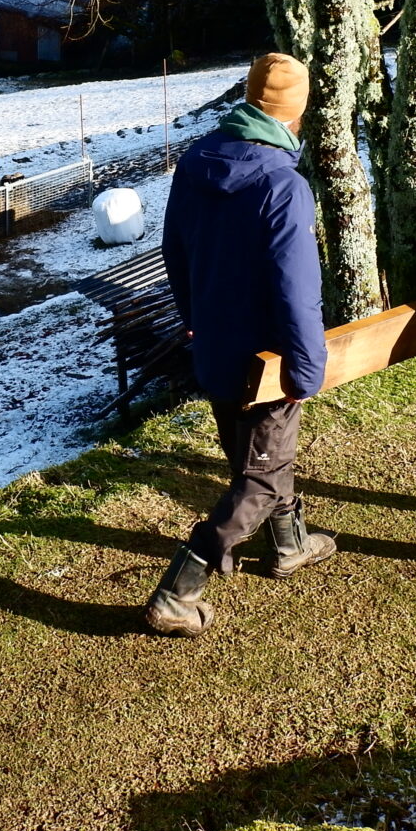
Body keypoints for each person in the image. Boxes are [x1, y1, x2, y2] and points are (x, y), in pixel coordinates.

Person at [143, 52, 338, 637]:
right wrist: (307, 370)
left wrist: (194, 319)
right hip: (268, 359)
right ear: (293, 114)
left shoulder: (197, 160)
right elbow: (296, 290)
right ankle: (180, 590)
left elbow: (174, 252)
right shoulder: (284, 184)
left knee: (257, 454)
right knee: (258, 478)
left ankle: (289, 543)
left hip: (213, 343)